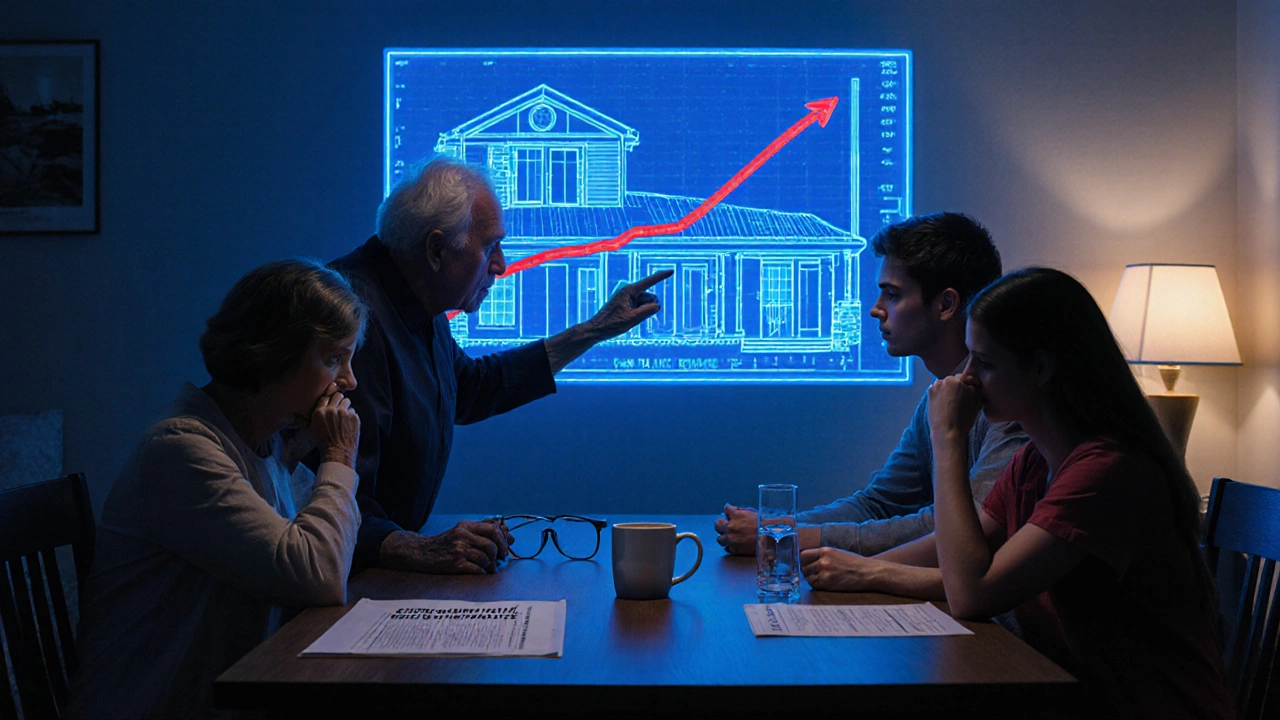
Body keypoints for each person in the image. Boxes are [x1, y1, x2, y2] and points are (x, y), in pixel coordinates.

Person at [801, 267, 1233, 719]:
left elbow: (972, 592)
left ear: (1042, 368)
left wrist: (948, 436)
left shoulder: (1107, 473)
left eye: (984, 363)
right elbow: (961, 562)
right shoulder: (1033, 462)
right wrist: (853, 570)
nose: (966, 378)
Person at [328, 156, 670, 575]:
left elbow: (468, 389)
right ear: (436, 249)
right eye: (490, 246)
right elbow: (323, 494)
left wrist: (594, 330)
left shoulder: (417, 297)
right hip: (343, 589)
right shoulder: (348, 315)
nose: (502, 265)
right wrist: (419, 549)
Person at [65, 259, 366, 719]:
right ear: (272, 355)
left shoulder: (264, 447)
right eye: (332, 358)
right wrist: (338, 457)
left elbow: (333, 544)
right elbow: (319, 574)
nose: (349, 381)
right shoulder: (182, 449)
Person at [715, 212, 1027, 557]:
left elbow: (953, 531)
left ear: (946, 304)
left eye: (892, 295)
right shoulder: (938, 398)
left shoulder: (1009, 404)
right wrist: (781, 526)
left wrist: (786, 537)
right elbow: (878, 504)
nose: (876, 310)